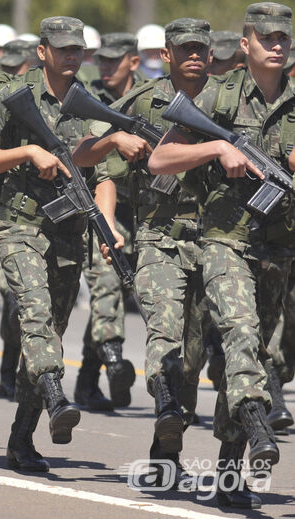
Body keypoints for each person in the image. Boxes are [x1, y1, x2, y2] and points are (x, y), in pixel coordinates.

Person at [148, 3, 292, 508]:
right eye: (267, 37)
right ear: (246, 44)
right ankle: (256, 424)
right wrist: (216, 150)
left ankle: (231, 467)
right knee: (240, 333)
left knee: (252, 349)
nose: (277, 45)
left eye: (285, 38)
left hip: (279, 248)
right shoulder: (217, 95)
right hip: (226, 242)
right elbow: (160, 158)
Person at [73, 17, 215, 482]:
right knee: (165, 334)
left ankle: (164, 451)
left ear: (211, 54)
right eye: (184, 48)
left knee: (193, 360)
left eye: (201, 48)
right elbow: (92, 163)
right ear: (165, 55)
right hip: (159, 238)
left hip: (217, 244)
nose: (194, 55)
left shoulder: (229, 102)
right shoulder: (138, 104)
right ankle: (165, 411)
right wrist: (109, 219)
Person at [0, 16, 105, 471]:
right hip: (20, 228)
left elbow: (99, 169)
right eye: (62, 48)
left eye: (77, 49)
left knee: (49, 335)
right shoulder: (13, 96)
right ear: (42, 51)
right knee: (36, 315)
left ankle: (22, 436)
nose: (71, 56)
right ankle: (56, 395)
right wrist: (27, 152)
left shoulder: (88, 103)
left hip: (68, 236)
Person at [74, 32, 144, 412]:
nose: (105, 66)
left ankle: (87, 381)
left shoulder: (150, 98)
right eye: (101, 60)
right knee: (106, 285)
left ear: (133, 61)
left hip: (141, 212)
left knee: (116, 293)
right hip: (95, 205)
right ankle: (115, 360)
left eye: (114, 60)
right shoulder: (85, 98)